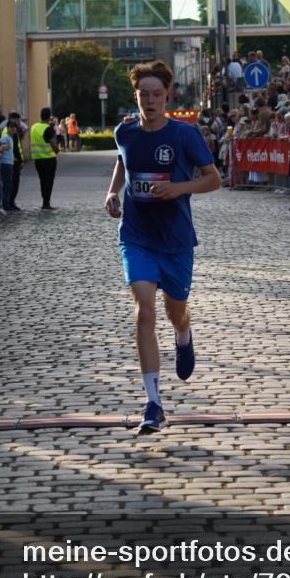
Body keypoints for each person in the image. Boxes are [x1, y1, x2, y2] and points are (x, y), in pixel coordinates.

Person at [104, 60, 221, 435]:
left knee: (175, 311)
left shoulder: (185, 136)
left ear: (167, 97)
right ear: (136, 96)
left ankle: (184, 336)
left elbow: (214, 179)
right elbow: (123, 164)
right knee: (143, 312)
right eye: (144, 95)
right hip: (136, 235)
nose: (150, 101)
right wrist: (113, 191)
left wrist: (179, 188)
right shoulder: (125, 133)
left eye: (156, 95)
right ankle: (153, 402)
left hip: (175, 239)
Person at [30, 107, 59, 210]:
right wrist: (57, 150)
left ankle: (44, 202)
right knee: (49, 182)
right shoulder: (48, 128)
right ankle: (46, 203)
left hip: (37, 160)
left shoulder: (34, 127)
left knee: (42, 181)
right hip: (49, 160)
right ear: (49, 117)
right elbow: (54, 145)